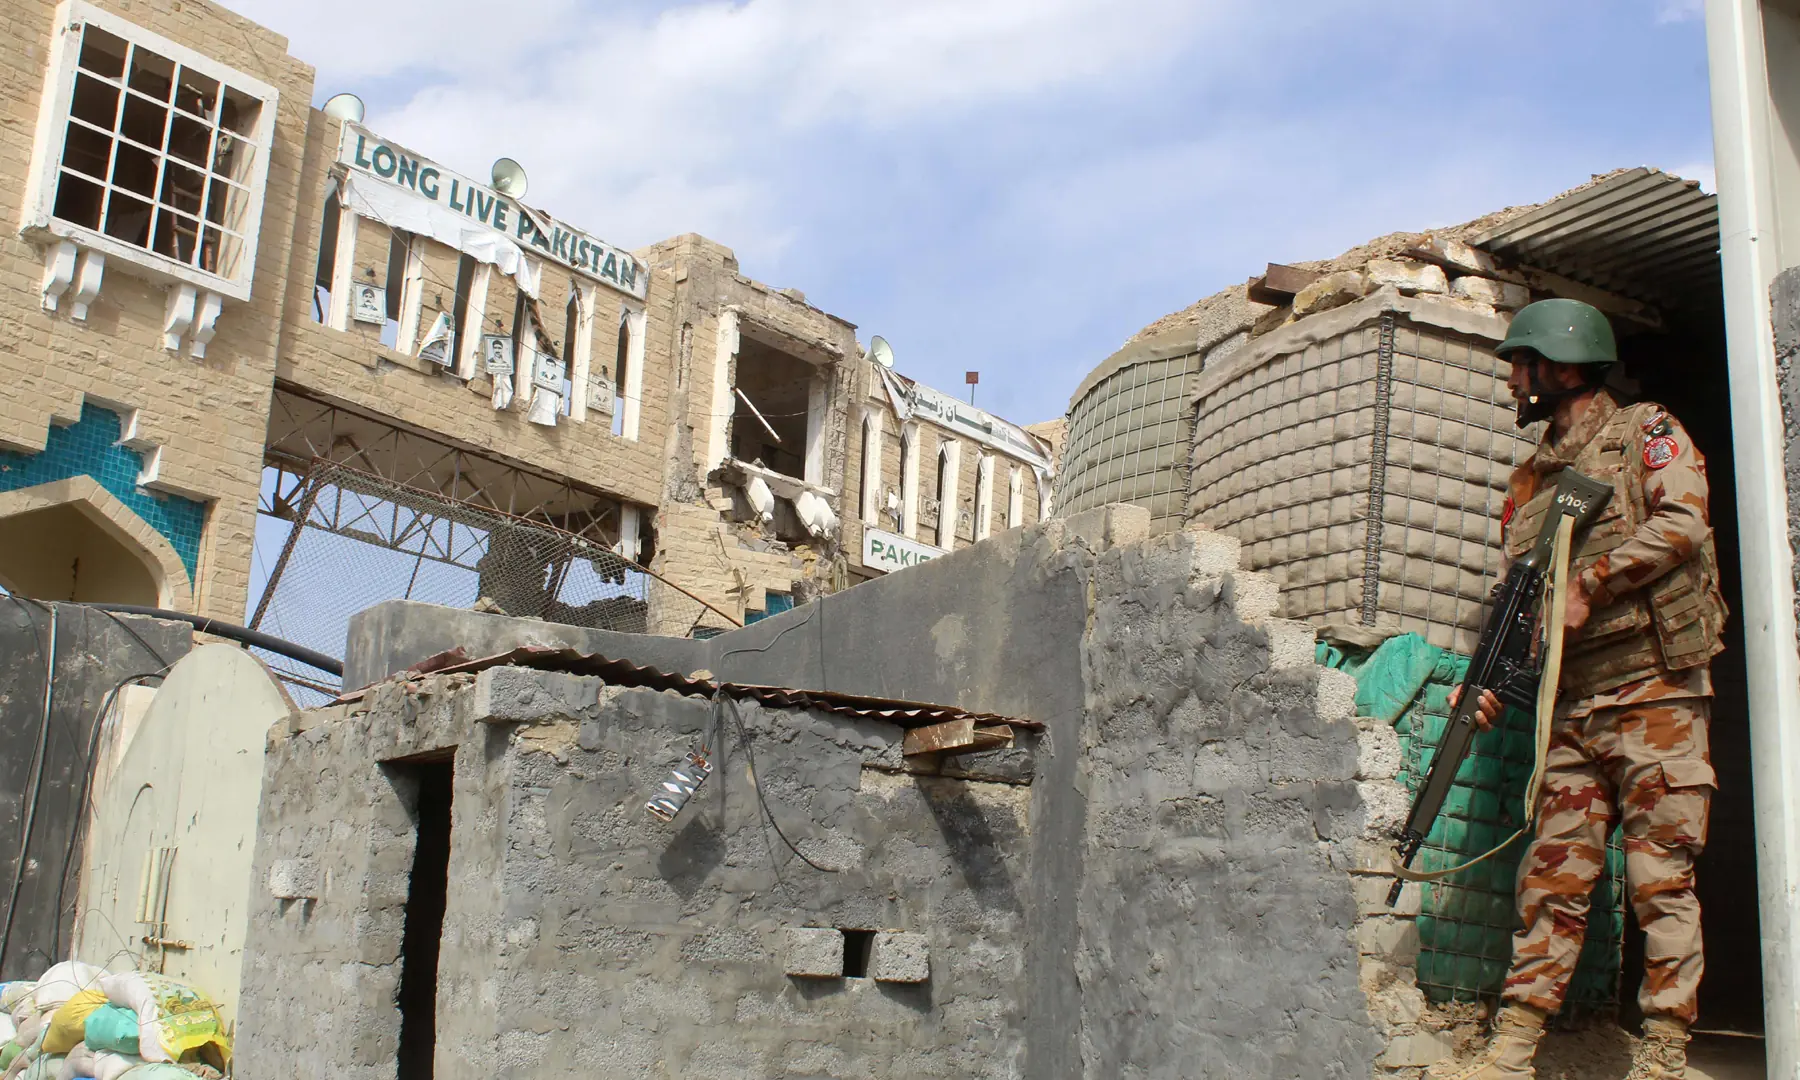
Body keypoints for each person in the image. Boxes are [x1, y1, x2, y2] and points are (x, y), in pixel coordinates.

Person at [1432, 299, 1728, 1080]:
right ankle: (1515, 1045)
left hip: (1655, 694)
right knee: (1552, 876)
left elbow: (1686, 525)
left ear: (1559, 367)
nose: (1508, 384)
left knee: (1662, 879)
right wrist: (1490, 682)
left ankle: (1663, 1048)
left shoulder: (1647, 433)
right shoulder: (1528, 482)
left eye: (1517, 365)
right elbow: (1516, 602)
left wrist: (1591, 581)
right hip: (1571, 710)